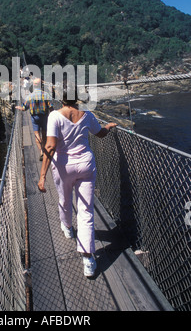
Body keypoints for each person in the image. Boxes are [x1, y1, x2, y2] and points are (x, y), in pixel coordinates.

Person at [38, 86, 117, 277]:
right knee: (86, 210)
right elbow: (100, 134)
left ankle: (67, 227)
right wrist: (107, 127)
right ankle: (88, 259)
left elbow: (50, 145)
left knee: (65, 200)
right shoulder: (87, 114)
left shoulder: (54, 116)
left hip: (64, 168)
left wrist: (42, 176)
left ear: (61, 99)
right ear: (77, 98)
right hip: (85, 166)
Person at [16, 78, 53, 160]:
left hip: (34, 117)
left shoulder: (29, 96)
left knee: (36, 134)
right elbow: (51, 107)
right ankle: (43, 150)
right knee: (44, 134)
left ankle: (41, 150)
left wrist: (19, 107)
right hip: (44, 117)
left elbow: (24, 108)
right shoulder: (46, 95)